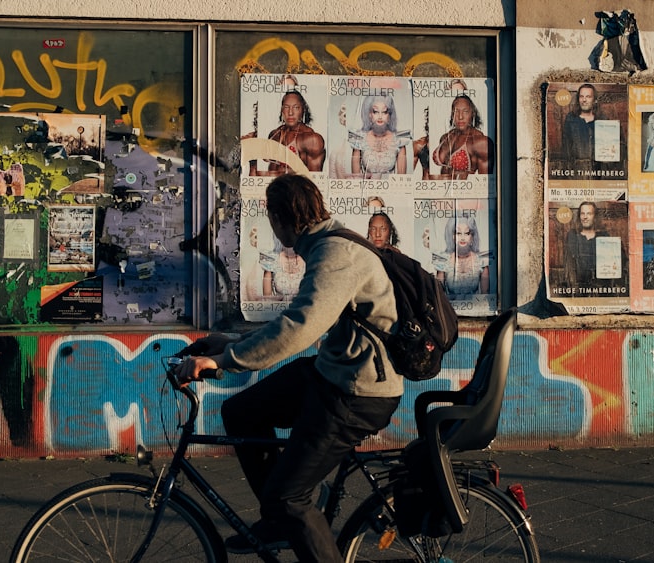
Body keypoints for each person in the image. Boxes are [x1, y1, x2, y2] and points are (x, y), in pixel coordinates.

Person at [176, 174, 402, 562]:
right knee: (241, 411)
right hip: (335, 373)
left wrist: (223, 361)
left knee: (289, 496)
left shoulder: (335, 254)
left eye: (269, 217)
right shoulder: (323, 246)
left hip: (357, 393)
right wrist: (230, 344)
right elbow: (300, 319)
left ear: (281, 218)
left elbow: (300, 328)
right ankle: (281, 522)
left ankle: (287, 512)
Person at [247, 91, 326, 175]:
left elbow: (314, 182)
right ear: (282, 110)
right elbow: (263, 176)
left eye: (296, 107)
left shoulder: (312, 140)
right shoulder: (274, 135)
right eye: (286, 107)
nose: (290, 113)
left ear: (303, 110)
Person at [431, 94, 495, 179]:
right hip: (439, 189)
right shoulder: (446, 137)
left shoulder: (481, 143)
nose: (460, 117)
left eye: (465, 111)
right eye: (456, 112)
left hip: (461, 191)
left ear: (473, 114)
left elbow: (485, 183)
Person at [350, 95, 408, 178]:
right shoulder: (359, 139)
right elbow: (355, 178)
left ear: (389, 116)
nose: (380, 116)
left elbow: (402, 179)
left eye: (384, 112)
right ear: (369, 114)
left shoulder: (400, 140)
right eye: (376, 111)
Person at [435, 215, 490, 295]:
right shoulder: (443, 260)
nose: (462, 237)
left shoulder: (482, 261)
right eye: (458, 233)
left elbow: (485, 295)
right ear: (452, 236)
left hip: (476, 306)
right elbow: (439, 294)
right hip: (449, 307)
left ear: (472, 237)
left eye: (467, 233)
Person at [563, 201, 610, 287]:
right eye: (582, 214)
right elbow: (568, 264)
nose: (585, 217)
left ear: (594, 216)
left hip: (600, 286)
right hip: (578, 286)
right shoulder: (572, 236)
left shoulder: (603, 236)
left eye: (589, 214)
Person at [559, 84, 600, 171]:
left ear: (595, 100)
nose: (584, 100)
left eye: (588, 96)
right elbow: (566, 147)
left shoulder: (601, 119)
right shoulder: (571, 120)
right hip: (577, 170)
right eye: (581, 96)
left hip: (598, 171)